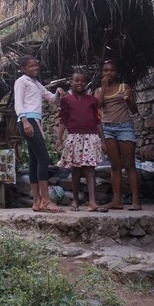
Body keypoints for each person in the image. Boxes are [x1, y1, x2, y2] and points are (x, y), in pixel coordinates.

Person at [14, 55, 65, 213]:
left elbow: (52, 99)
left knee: (35, 161)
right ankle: (46, 200)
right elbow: (18, 102)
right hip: (28, 120)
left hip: (34, 121)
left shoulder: (36, 83)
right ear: (23, 69)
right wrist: (25, 121)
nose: (35, 68)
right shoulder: (21, 81)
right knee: (43, 158)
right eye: (30, 66)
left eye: (36, 65)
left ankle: (36, 201)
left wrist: (58, 93)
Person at [56, 70, 109, 212]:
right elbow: (63, 120)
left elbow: (98, 121)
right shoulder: (66, 100)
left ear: (86, 83)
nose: (79, 83)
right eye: (76, 81)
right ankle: (75, 201)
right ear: (71, 82)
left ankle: (92, 202)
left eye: (82, 81)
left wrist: (103, 140)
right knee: (76, 170)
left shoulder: (92, 100)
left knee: (90, 169)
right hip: (74, 137)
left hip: (90, 137)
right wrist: (59, 138)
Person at [94, 59, 141, 210]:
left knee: (129, 165)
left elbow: (134, 110)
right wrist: (104, 87)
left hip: (124, 127)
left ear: (117, 72)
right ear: (102, 73)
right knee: (115, 166)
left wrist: (128, 99)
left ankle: (135, 201)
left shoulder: (124, 87)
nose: (109, 73)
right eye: (106, 70)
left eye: (112, 70)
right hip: (107, 129)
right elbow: (97, 107)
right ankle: (117, 201)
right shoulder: (98, 90)